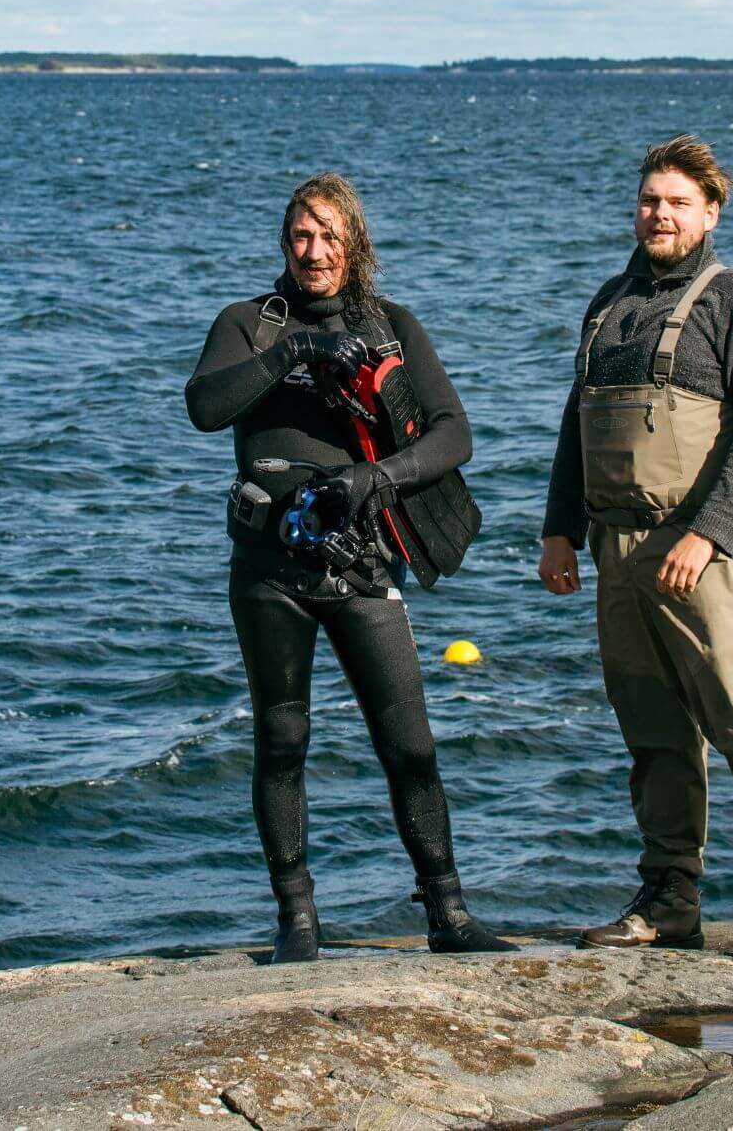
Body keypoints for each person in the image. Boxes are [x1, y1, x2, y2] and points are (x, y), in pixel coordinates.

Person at [186, 172, 514, 964]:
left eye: (330, 235)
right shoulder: (247, 324)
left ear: (354, 244)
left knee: (410, 746)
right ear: (284, 245)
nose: (314, 251)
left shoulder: (392, 326)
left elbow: (453, 434)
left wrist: (376, 478)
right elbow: (204, 406)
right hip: (268, 570)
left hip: (362, 565)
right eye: (302, 235)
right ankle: (298, 922)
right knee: (282, 741)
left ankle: (448, 913)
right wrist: (294, 348)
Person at [539, 135, 733, 964]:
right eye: (648, 199)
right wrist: (559, 529)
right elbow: (577, 422)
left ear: (710, 213)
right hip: (614, 553)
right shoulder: (607, 303)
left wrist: (709, 533)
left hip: (698, 551)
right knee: (653, 731)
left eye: (676, 202)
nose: (658, 214)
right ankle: (670, 893)